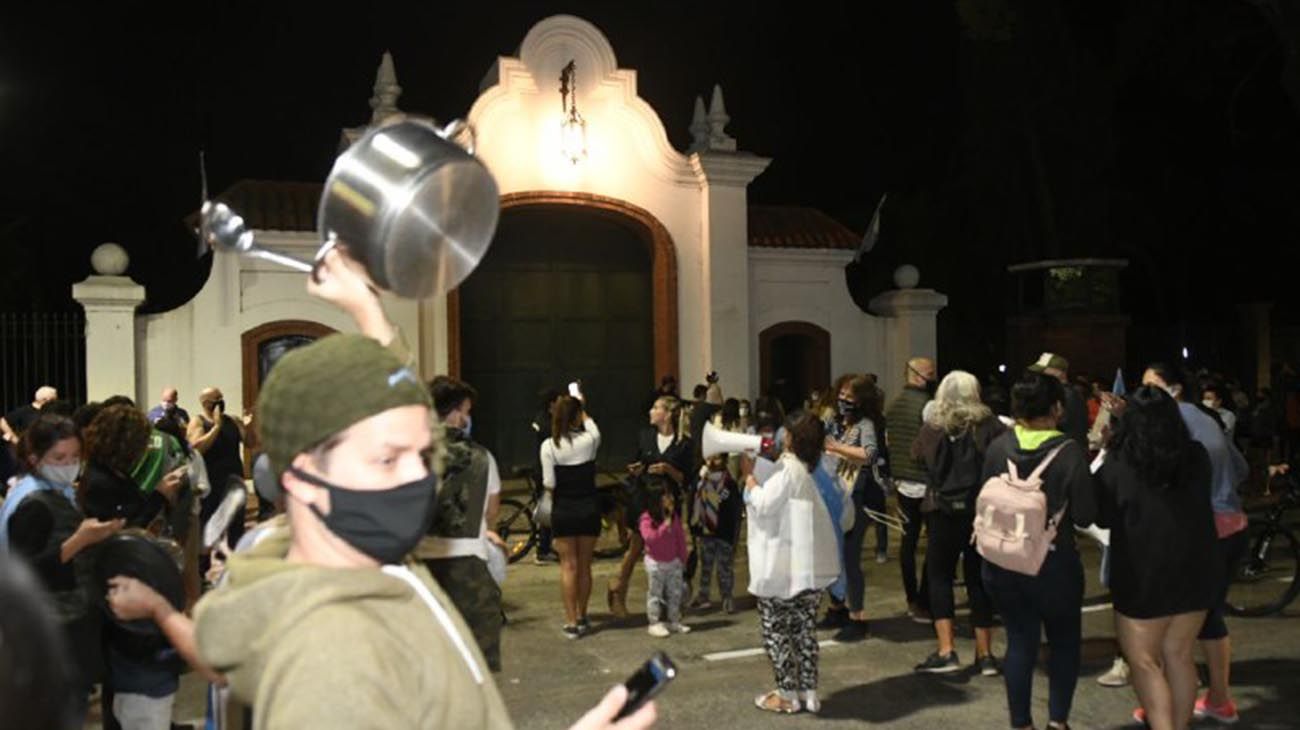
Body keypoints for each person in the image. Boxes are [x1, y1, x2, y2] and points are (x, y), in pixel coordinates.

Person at [105, 245, 657, 730]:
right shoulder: (334, 662)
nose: (418, 478)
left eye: (421, 456)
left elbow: (215, 648)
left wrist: (367, 310)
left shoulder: (305, 558)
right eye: (388, 460)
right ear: (304, 480)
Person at [1095, 385, 1219, 730]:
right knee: (1179, 656)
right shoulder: (1196, 456)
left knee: (1145, 662)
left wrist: (1107, 449)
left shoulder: (1119, 464)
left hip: (1141, 574)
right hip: (1195, 569)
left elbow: (1101, 514)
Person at [981, 371, 1097, 730]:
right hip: (1052, 564)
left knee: (1019, 642)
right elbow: (1084, 514)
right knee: (1063, 644)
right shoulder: (1068, 451)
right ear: (1057, 407)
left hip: (1001, 560)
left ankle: (1021, 724)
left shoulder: (998, 446)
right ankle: (1057, 722)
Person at [1139, 363, 1249, 724]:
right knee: (1209, 618)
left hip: (1203, 533)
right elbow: (1241, 467)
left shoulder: (1172, 424)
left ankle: (1166, 704)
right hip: (1231, 525)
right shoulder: (1207, 417)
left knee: (1175, 633)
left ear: (1174, 390)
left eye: (1152, 387)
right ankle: (1219, 699)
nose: (1145, 395)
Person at [0, 415, 124, 722]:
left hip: (67, 620)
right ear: (34, 458)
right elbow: (24, 571)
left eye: (74, 457)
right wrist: (79, 541)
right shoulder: (34, 503)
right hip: (56, 625)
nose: (69, 464)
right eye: (59, 458)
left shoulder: (51, 490)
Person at [746, 411, 841, 714]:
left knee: (778, 631)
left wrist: (750, 481)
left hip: (783, 570)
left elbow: (763, 505)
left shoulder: (788, 471)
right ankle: (808, 692)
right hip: (806, 569)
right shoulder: (804, 472)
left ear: (789, 437)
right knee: (804, 631)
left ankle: (786, 694)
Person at [912, 371, 1004, 676]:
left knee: (939, 576)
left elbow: (916, 456)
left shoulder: (933, 426)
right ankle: (985, 654)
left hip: (941, 508)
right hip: (980, 510)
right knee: (978, 578)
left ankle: (947, 649)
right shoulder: (989, 425)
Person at [417, 376, 506, 671]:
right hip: (469, 568)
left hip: (420, 569)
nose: (467, 418)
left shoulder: (412, 455)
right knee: (474, 669)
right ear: (455, 413)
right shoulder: (483, 457)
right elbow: (492, 511)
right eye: (466, 411)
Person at [609, 395, 691, 618]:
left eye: (656, 408)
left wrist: (669, 470)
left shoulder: (683, 443)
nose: (651, 412)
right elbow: (638, 463)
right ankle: (617, 591)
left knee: (669, 553)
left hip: (669, 504)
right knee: (635, 547)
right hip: (645, 501)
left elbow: (687, 479)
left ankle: (669, 599)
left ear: (667, 414)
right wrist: (636, 469)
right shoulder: (645, 436)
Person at [821, 374, 885, 642]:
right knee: (833, 555)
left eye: (850, 396)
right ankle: (837, 607)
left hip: (858, 496)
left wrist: (838, 448)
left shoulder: (865, 425)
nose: (844, 400)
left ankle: (858, 616)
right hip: (836, 495)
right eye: (842, 394)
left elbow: (870, 454)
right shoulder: (835, 422)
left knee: (850, 556)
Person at [541, 394, 602, 639]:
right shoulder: (590, 440)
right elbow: (592, 426)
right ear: (576, 417)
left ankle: (571, 620)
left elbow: (549, 483)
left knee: (568, 566)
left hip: (564, 509)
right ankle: (584, 614)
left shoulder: (549, 446)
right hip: (588, 506)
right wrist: (582, 406)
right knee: (586, 565)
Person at [884, 357, 936, 621]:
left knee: (908, 542)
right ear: (917, 375)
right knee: (933, 542)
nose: (933, 376)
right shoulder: (928, 406)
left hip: (902, 481)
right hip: (926, 482)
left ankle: (911, 597)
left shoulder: (893, 406)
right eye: (930, 373)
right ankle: (925, 599)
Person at [188, 387, 247, 550]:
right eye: (217, 399)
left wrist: (247, 426)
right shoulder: (198, 422)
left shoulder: (232, 420)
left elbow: (251, 443)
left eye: (222, 398)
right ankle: (206, 567)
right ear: (206, 403)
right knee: (210, 526)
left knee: (236, 525)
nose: (221, 402)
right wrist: (216, 427)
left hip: (234, 479)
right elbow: (197, 447)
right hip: (212, 481)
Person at [689, 452, 742, 613]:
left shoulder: (729, 483)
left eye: (717, 458)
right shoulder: (701, 480)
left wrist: (734, 534)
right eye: (710, 458)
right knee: (705, 566)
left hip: (724, 532)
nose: (712, 462)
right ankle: (703, 596)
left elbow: (734, 510)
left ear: (724, 460)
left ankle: (727, 597)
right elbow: (693, 501)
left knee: (724, 567)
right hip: (706, 531)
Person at [639, 477, 690, 637]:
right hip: (656, 563)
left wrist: (683, 558)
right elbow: (650, 539)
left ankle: (673, 620)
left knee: (675, 593)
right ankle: (654, 622)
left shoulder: (673, 516)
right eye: (666, 495)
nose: (670, 499)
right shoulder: (646, 519)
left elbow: (680, 537)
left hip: (673, 562)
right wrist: (664, 526)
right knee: (655, 594)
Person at [530, 387, 564, 564]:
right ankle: (542, 551)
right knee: (547, 510)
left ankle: (548, 545)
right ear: (552, 403)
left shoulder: (544, 419)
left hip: (545, 469)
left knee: (549, 509)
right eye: (559, 400)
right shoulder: (546, 423)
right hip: (544, 471)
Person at [1028, 353, 1088, 447]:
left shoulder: (1068, 395)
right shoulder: (1064, 393)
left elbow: (1062, 426)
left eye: (1044, 371)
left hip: (1068, 452)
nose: (1040, 375)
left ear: (1058, 372)